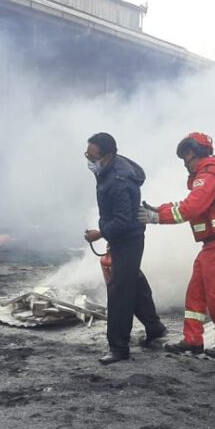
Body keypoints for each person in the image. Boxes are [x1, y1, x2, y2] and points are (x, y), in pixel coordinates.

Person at [138, 132, 215, 359]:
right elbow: (191, 204)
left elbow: (190, 209)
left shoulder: (207, 176)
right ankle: (193, 340)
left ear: (191, 153)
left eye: (185, 158)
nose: (185, 165)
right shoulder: (211, 174)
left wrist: (155, 218)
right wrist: (159, 209)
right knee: (195, 293)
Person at [83, 133, 166, 365]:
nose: (89, 160)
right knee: (133, 280)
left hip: (128, 238)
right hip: (124, 237)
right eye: (87, 155)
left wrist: (100, 233)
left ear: (108, 156)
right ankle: (155, 327)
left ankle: (118, 347)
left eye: (93, 156)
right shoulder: (108, 169)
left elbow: (123, 221)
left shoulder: (119, 181)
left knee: (120, 291)